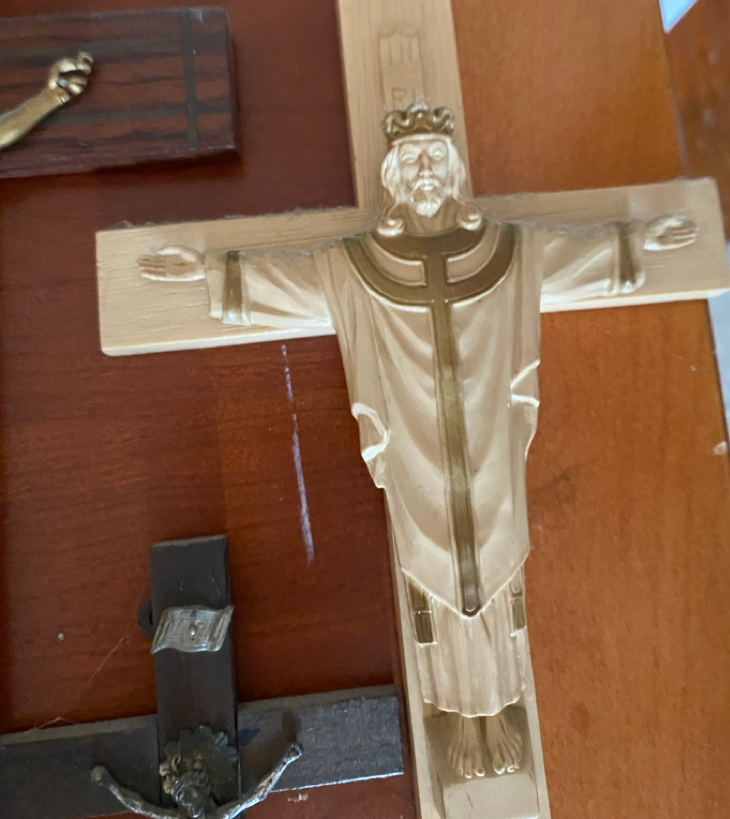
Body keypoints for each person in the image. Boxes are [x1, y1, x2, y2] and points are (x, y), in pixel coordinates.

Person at [139, 102, 696, 780]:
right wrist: (207, 271)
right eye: (412, 161)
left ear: (455, 172)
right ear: (393, 179)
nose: (425, 171)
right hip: (416, 446)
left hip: (488, 444)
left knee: (497, 568)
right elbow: (291, 279)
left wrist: (636, 241)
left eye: (436, 158)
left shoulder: (506, 254)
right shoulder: (359, 268)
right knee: (432, 577)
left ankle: (500, 706)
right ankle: (459, 715)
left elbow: (565, 256)